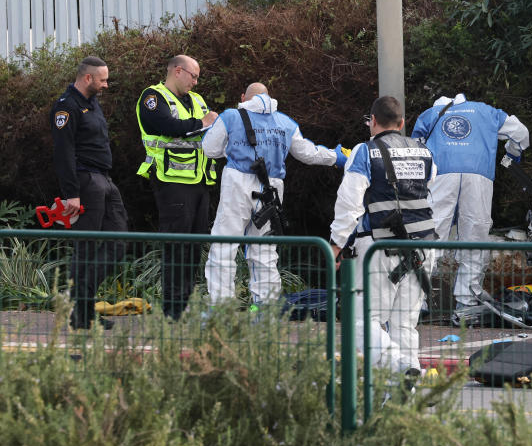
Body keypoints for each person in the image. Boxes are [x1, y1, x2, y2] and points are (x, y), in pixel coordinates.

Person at [202, 82, 349, 309]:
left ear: (244, 97)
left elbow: (209, 149)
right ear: (270, 97)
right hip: (270, 190)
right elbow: (308, 153)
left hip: (237, 184)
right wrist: (336, 157)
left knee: (224, 245)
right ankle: (266, 310)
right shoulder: (285, 122)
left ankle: (220, 311)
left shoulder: (230, 116)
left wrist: (231, 147)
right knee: (265, 250)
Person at [331, 96, 436, 384]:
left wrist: (337, 244)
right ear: (402, 124)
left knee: (361, 321)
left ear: (372, 122)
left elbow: (349, 203)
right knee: (404, 324)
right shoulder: (424, 151)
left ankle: (400, 367)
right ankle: (405, 396)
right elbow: (429, 192)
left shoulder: (365, 152)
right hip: (423, 248)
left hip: (380, 246)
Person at [409, 93, 529, 325]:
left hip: (440, 175)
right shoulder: (486, 111)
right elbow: (521, 132)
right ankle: (466, 303)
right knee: (475, 234)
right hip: (479, 175)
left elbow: (415, 151)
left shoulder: (429, 115)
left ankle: (416, 300)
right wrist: (513, 153)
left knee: (430, 236)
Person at [50, 56, 130, 330]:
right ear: (88, 78)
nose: (106, 85)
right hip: (85, 183)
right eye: (103, 80)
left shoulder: (92, 103)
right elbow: (63, 153)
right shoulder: (67, 107)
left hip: (105, 181)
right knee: (84, 248)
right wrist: (72, 193)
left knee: (118, 243)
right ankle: (80, 313)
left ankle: (82, 304)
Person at [135, 54, 218, 320]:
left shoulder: (197, 100)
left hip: (199, 182)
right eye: (193, 76)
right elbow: (166, 126)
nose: (196, 81)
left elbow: (211, 130)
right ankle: (173, 310)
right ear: (178, 71)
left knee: (194, 247)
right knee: (176, 246)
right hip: (171, 181)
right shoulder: (153, 97)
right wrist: (202, 124)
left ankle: (186, 304)